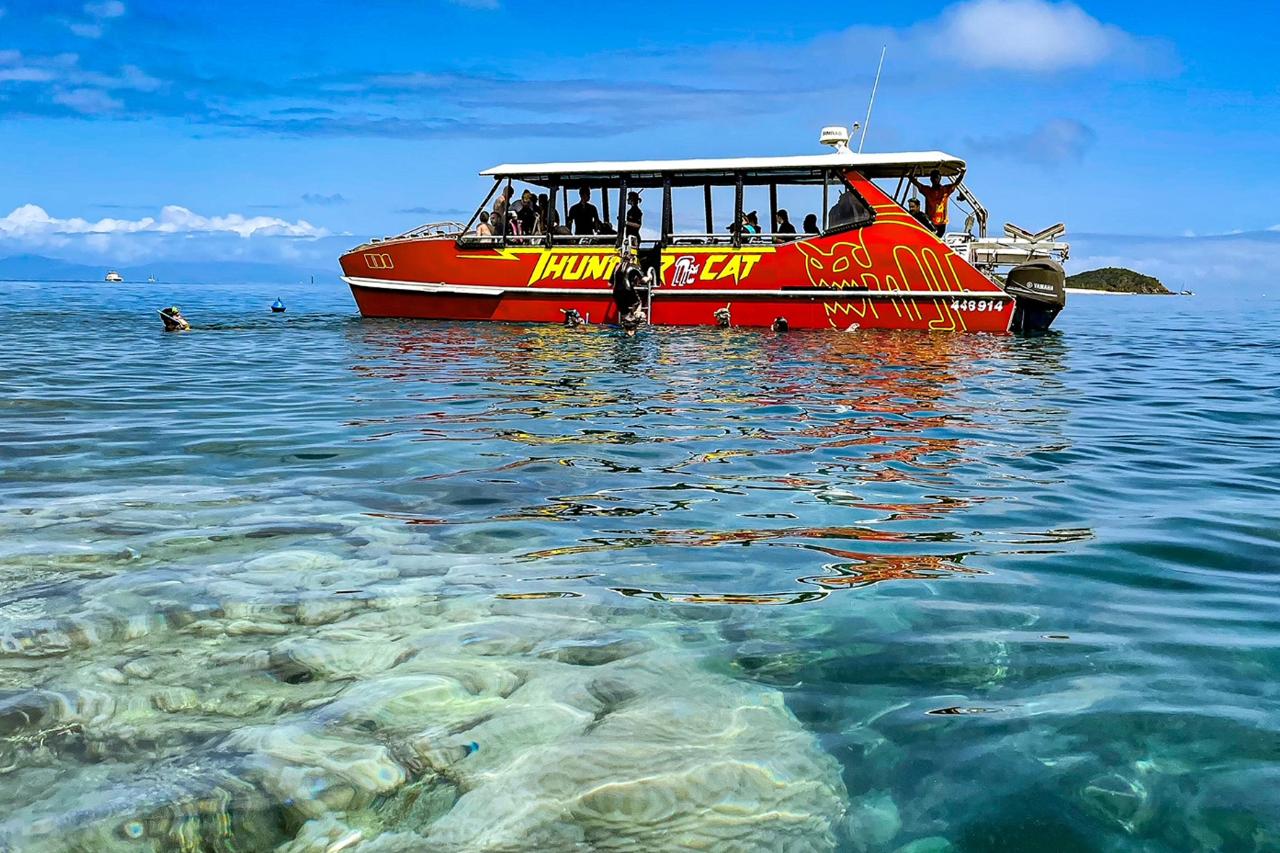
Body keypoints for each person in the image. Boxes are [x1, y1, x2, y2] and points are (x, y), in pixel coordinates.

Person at [909, 168, 965, 237]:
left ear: (940, 178)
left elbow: (956, 183)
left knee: (937, 237)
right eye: (933, 177)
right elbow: (917, 184)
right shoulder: (927, 190)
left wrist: (962, 174)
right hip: (931, 223)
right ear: (931, 179)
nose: (935, 179)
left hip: (942, 223)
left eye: (936, 177)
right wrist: (910, 176)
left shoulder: (945, 190)